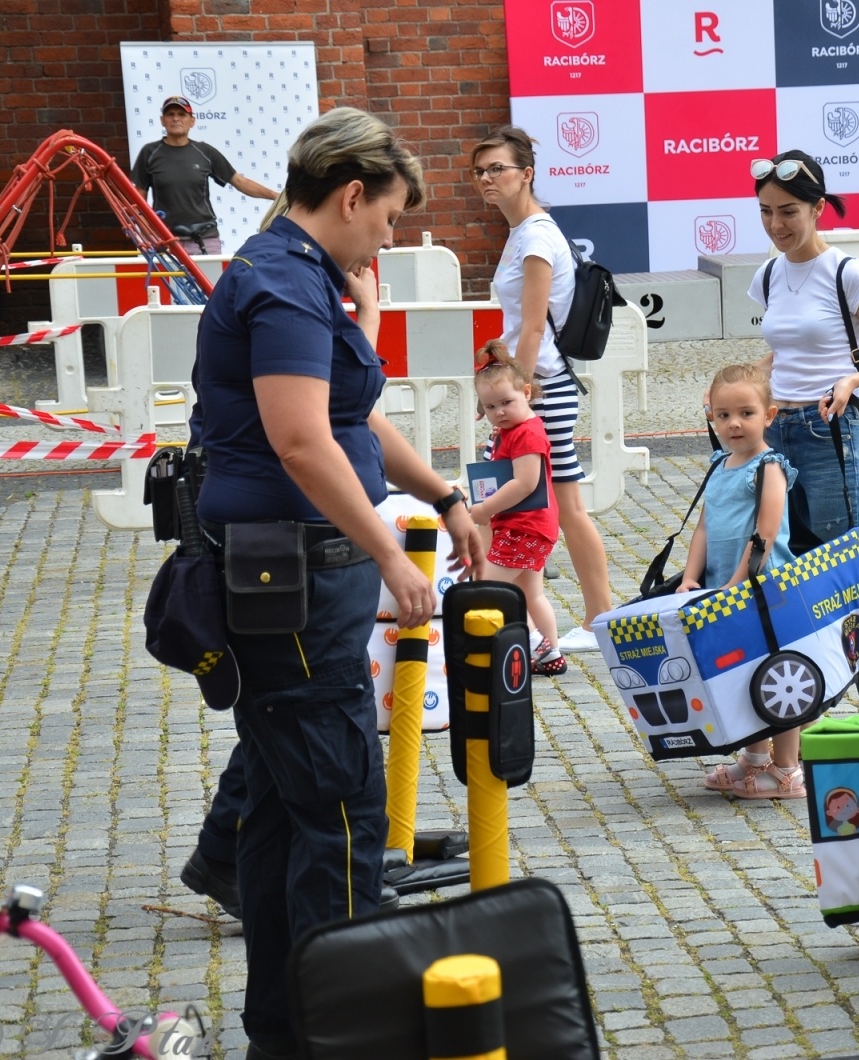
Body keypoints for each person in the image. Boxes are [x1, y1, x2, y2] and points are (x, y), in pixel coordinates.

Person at [189, 106, 482, 1060]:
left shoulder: (308, 276)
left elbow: (352, 421)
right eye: (389, 217)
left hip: (304, 572)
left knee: (285, 808)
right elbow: (301, 442)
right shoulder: (281, 282)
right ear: (351, 195)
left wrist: (441, 493)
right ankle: (352, 1037)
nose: (389, 236)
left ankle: (285, 1030)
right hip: (292, 575)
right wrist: (394, 555)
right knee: (347, 809)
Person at [749, 149, 859, 709]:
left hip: (832, 431)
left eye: (790, 212)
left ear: (819, 208)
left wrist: (853, 380)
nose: (777, 225)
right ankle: (800, 706)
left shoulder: (846, 271)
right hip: (778, 432)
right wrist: (748, 390)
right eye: (767, 211)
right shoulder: (770, 274)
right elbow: (780, 353)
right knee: (779, 562)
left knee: (848, 566)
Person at [468, 125, 612, 653]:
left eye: (498, 168)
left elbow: (532, 326)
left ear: (526, 173)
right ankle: (582, 616)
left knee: (557, 504)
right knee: (551, 503)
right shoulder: (524, 232)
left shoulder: (535, 235)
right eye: (480, 171)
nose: (487, 178)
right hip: (534, 387)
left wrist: (517, 396)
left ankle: (597, 616)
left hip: (540, 390)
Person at [681, 365, 801, 798]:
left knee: (777, 676)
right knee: (742, 675)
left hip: (766, 590)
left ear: (768, 416)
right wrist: (691, 578)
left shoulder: (770, 467)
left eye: (746, 413)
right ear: (711, 416)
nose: (734, 423)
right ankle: (753, 759)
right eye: (724, 414)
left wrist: (737, 581)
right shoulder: (718, 464)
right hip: (726, 590)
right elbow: (704, 528)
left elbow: (765, 533)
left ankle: (787, 769)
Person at [473, 351, 565, 675]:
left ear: (526, 392)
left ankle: (537, 644)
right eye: (490, 406)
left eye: (505, 402)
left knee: (488, 588)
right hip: (528, 525)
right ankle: (551, 654)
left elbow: (526, 483)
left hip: (523, 526)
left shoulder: (526, 433)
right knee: (531, 594)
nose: (499, 412)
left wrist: (484, 509)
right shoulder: (514, 430)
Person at [132, 95, 279, 256]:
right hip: (166, 241)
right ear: (162, 120)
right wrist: (149, 234)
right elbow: (139, 200)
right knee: (167, 283)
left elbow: (239, 181)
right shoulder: (150, 153)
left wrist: (276, 196)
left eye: (182, 115)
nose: (176, 119)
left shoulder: (204, 152)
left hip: (205, 239)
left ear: (192, 121)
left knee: (210, 282)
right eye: (170, 114)